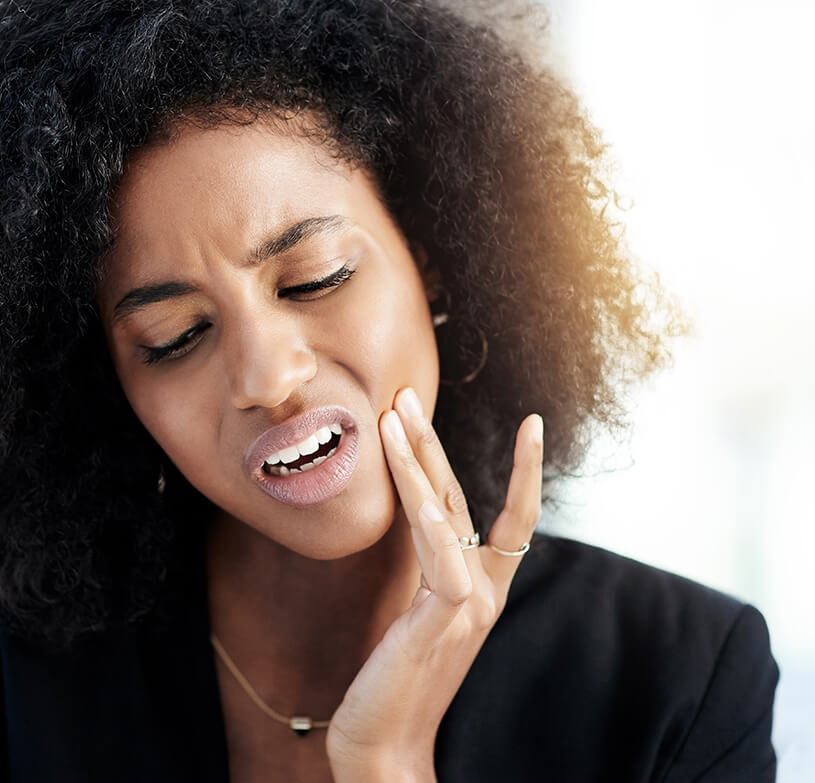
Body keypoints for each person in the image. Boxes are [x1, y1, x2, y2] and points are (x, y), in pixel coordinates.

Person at [0, 1, 778, 781]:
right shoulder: (29, 682)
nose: (268, 378)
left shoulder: (678, 680)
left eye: (315, 277)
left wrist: (385, 761)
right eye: (177, 337)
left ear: (430, 256)